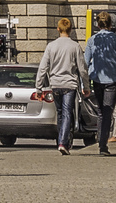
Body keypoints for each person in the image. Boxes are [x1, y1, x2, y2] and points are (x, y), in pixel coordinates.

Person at [36, 17, 90, 155]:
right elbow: (82, 69)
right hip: (69, 84)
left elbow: (43, 67)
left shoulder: (51, 46)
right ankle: (63, 142)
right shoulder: (75, 46)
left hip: (55, 84)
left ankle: (61, 140)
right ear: (70, 30)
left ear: (58, 29)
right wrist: (86, 86)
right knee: (67, 114)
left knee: (60, 113)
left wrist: (39, 87)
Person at [84, 10, 116, 156]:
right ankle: (102, 145)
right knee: (108, 112)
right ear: (110, 24)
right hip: (112, 79)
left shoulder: (92, 40)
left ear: (98, 24)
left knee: (101, 111)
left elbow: (85, 62)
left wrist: (84, 82)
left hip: (97, 79)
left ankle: (101, 142)